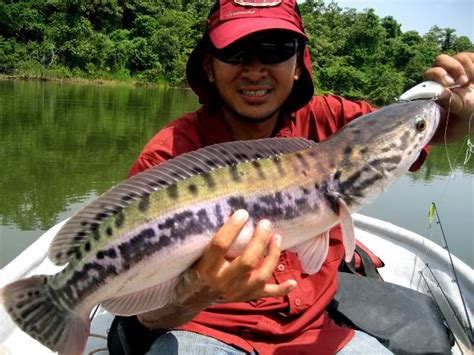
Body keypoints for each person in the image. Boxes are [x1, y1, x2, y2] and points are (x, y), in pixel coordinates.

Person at [126, 1, 474, 354]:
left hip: (318, 331)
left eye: (275, 50)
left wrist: (457, 109)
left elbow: (409, 133)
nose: (255, 70)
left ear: (298, 64)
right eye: (236, 52)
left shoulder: (333, 119)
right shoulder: (168, 158)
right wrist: (198, 290)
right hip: (207, 333)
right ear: (209, 66)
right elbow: (148, 315)